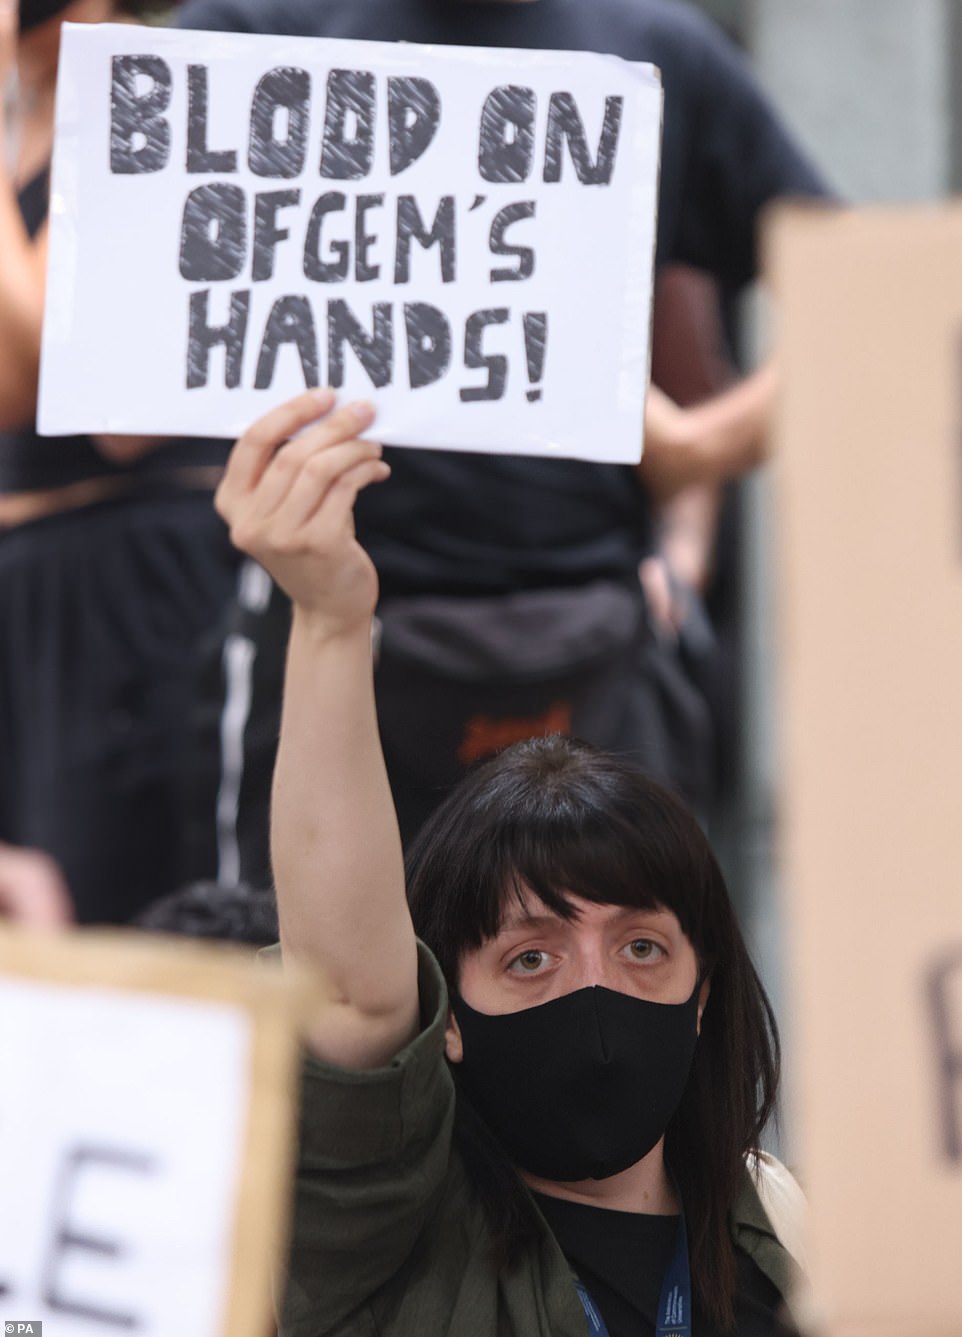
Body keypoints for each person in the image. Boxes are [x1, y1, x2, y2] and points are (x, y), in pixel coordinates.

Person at [177, 0, 831, 878]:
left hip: (594, 633)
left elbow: (858, 292)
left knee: (622, 989)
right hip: (325, 623)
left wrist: (700, 452)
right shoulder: (248, 31)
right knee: (323, 996)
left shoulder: (656, 46)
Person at [215, 389, 809, 1337]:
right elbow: (348, 995)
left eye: (644, 947)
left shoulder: (793, 1242)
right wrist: (329, 619)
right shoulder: (390, 1244)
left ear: (706, 992)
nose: (596, 989)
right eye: (530, 957)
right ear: (446, 1014)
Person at [0, 0, 239, 922]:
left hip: (123, 574)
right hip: (30, 579)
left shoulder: (141, 89)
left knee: (107, 920)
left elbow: (42, 375)